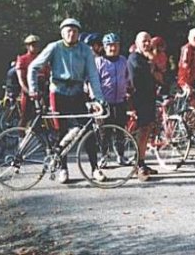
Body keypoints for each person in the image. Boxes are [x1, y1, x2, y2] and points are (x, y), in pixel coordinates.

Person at [28, 18, 105, 184]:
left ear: (79, 33)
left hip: (77, 92)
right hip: (58, 92)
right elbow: (33, 67)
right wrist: (33, 89)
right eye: (68, 31)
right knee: (59, 131)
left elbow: (93, 75)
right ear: (62, 33)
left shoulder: (85, 50)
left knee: (88, 130)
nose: (71, 34)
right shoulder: (54, 47)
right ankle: (63, 168)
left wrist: (98, 98)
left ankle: (95, 168)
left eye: (75, 31)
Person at [95, 33, 130, 166]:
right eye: (109, 46)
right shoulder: (99, 61)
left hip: (120, 100)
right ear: (104, 47)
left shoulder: (123, 60)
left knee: (120, 130)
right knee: (104, 131)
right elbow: (93, 81)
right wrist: (96, 99)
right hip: (104, 102)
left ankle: (120, 155)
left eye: (115, 45)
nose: (113, 48)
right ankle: (103, 156)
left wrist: (127, 89)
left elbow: (127, 77)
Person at [127, 31, 158, 181]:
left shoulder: (145, 58)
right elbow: (137, 81)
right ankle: (139, 165)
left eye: (148, 41)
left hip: (149, 99)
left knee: (146, 132)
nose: (146, 44)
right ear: (137, 43)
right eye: (143, 41)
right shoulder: (134, 58)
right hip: (140, 100)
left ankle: (142, 162)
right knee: (142, 131)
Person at [16, 35, 48, 128]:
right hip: (28, 91)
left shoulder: (42, 59)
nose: (35, 47)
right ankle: (21, 138)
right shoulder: (22, 59)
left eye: (37, 45)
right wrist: (28, 91)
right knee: (25, 116)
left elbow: (47, 74)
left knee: (42, 116)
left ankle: (39, 139)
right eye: (32, 45)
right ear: (27, 46)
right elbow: (21, 80)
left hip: (42, 90)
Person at [177, 28, 195, 104]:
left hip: (194, 79)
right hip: (185, 80)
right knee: (191, 100)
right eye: (194, 38)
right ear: (189, 38)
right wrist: (185, 83)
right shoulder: (187, 49)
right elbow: (184, 67)